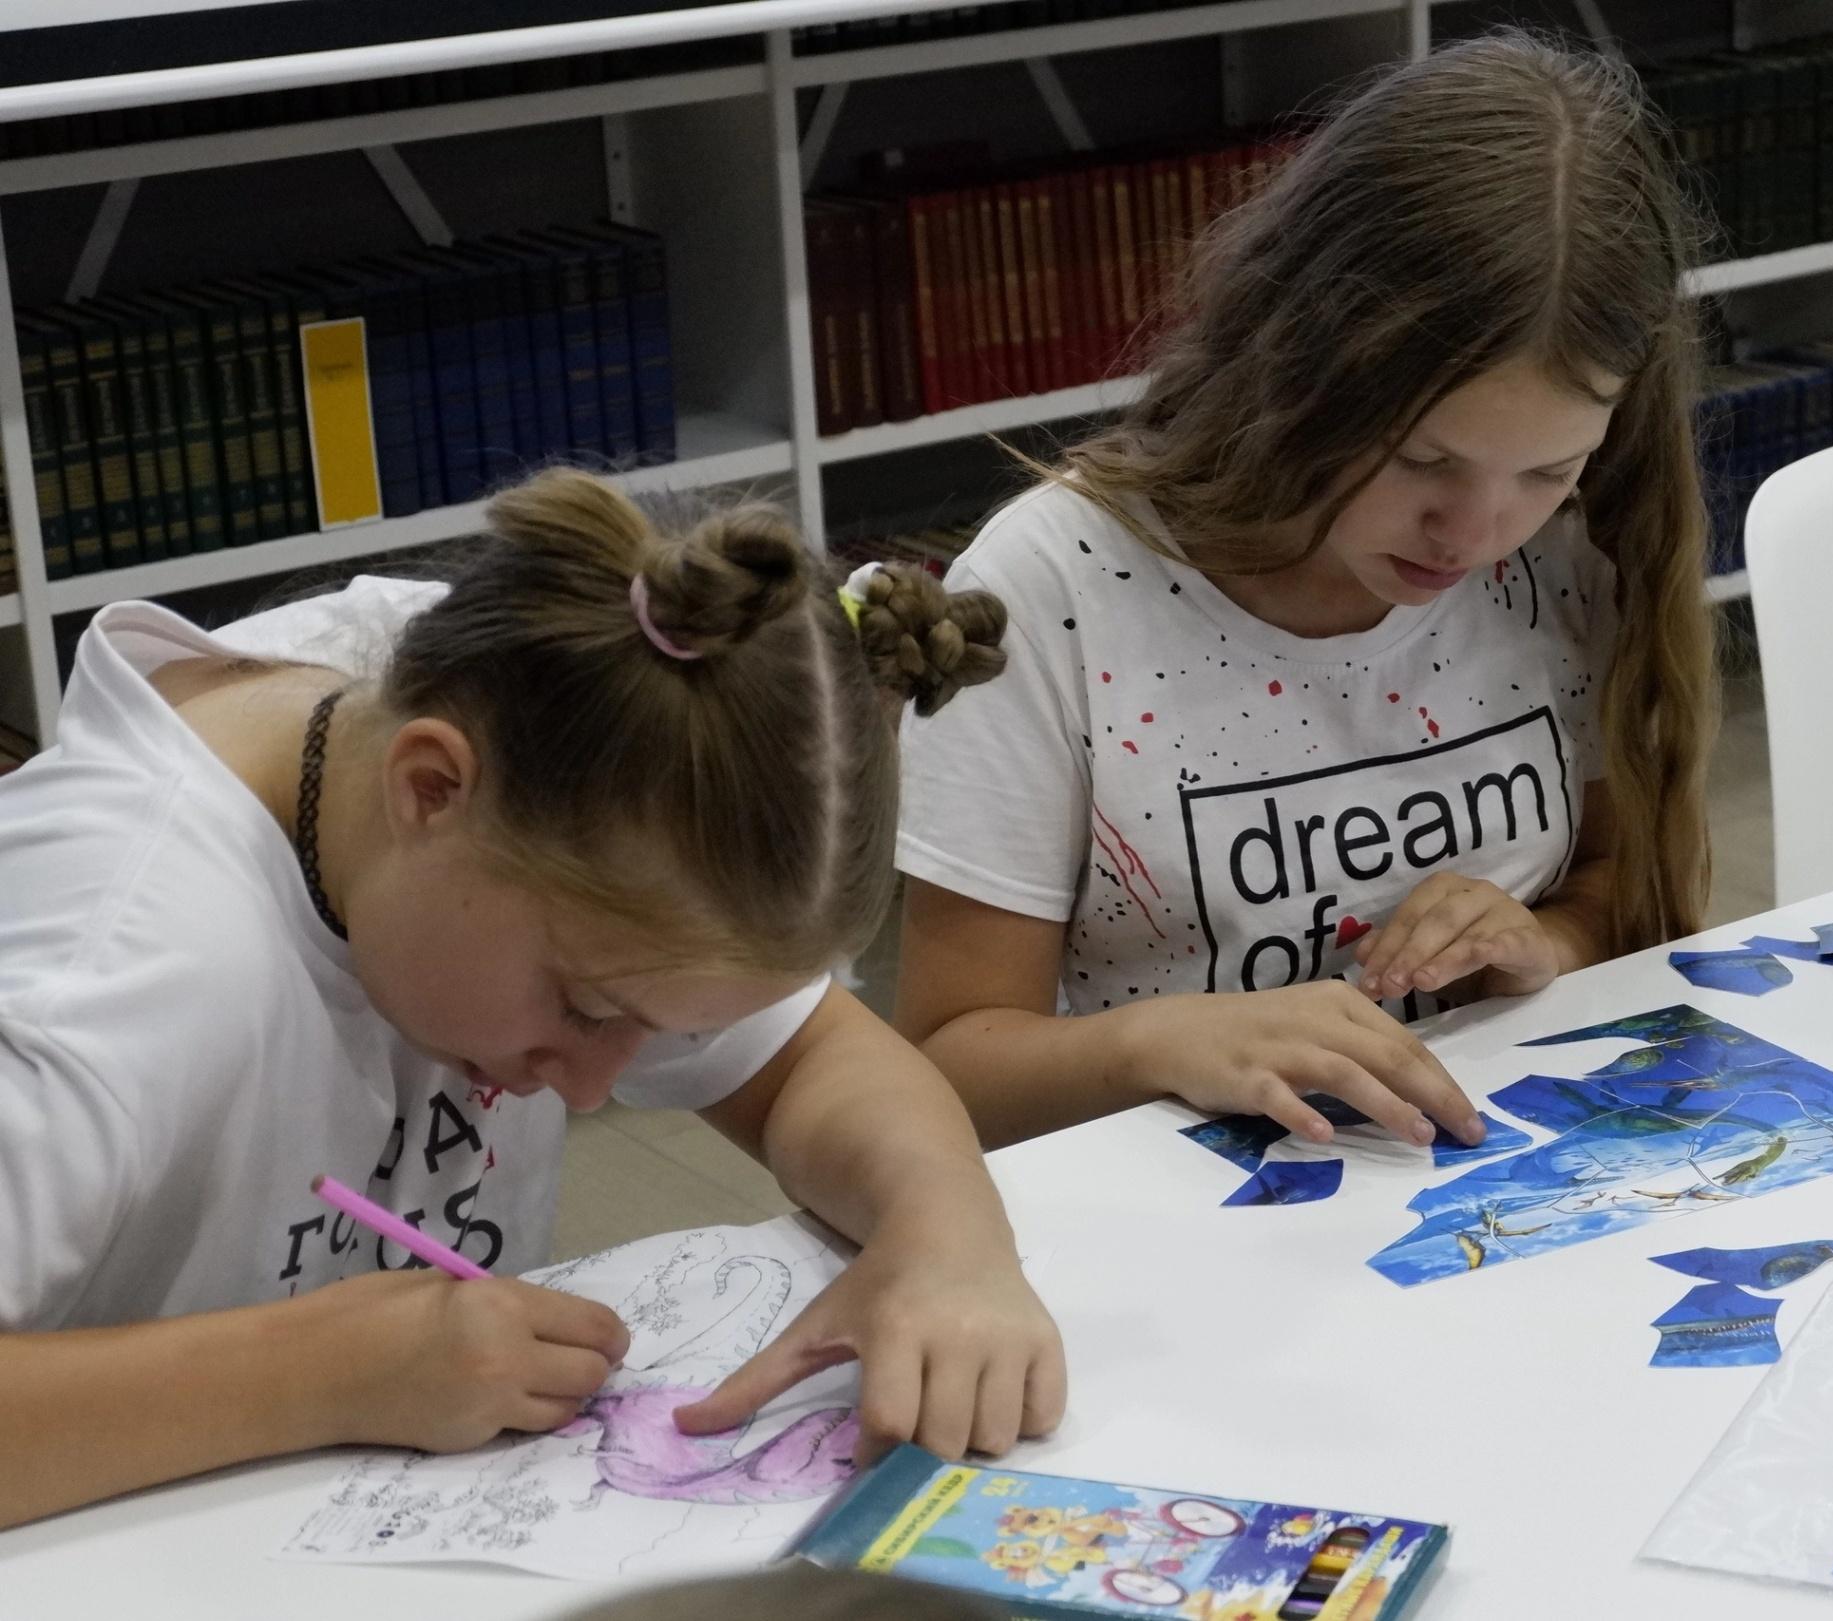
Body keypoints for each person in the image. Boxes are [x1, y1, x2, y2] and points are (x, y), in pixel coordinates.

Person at [0, 468, 1063, 1530]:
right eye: (589, 1007)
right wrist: (317, 1374)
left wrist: (946, 1234)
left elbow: (818, 1062)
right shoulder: (107, 974)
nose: (595, 1087)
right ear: (429, 789)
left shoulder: (549, 703)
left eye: (672, 1029)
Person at [893, 31, 1717, 1150]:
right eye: (1422, 460)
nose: (1476, 534)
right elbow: (947, 1069)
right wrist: (1163, 1041)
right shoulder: (1054, 587)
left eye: (1546, 470)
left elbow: (1632, 890)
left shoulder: (1579, 550)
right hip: (1183, 1191)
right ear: (1301, 359)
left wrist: (1547, 942)